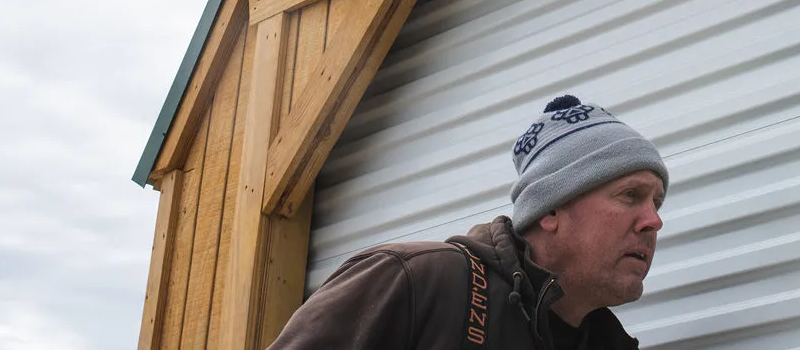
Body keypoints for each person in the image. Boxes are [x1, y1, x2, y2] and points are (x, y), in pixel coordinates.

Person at [269, 94, 668, 350]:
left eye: (657, 202)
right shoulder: (414, 282)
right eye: (630, 196)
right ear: (551, 210)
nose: (653, 221)